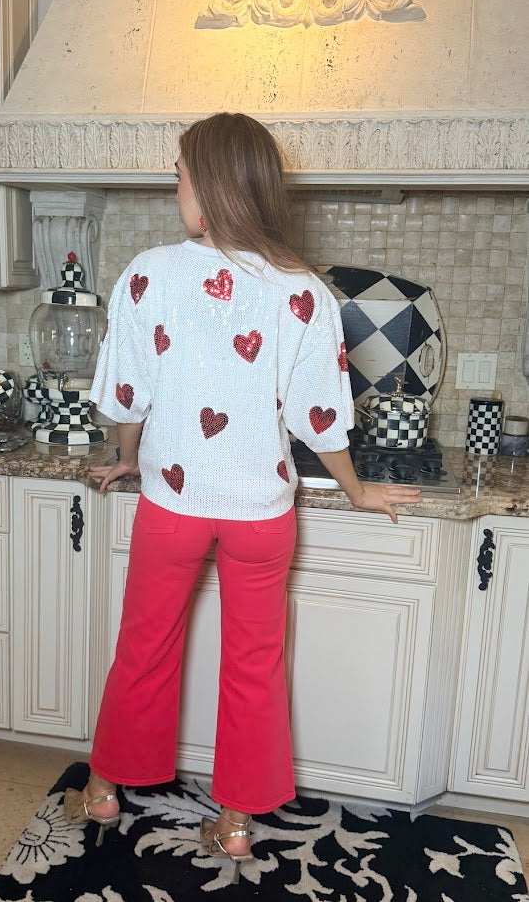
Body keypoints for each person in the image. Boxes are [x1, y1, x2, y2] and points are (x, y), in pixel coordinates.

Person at [65, 112, 422, 882]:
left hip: (174, 506)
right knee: (255, 665)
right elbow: (319, 415)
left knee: (143, 649)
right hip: (262, 514)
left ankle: (101, 790)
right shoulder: (304, 291)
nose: (175, 190)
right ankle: (233, 824)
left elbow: (126, 394)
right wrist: (355, 488)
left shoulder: (149, 273)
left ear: (210, 186)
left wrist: (127, 460)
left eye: (180, 176)